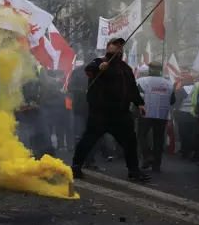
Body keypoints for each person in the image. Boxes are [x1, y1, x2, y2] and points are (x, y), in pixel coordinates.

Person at [72, 38, 150, 181]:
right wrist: (100, 68)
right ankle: (76, 166)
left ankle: (134, 171)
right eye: (116, 45)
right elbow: (89, 70)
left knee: (130, 142)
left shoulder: (126, 68)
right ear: (108, 47)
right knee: (88, 139)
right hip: (101, 112)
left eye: (121, 46)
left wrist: (140, 103)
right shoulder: (100, 62)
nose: (120, 48)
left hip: (121, 114)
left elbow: (132, 88)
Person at [136, 61, 175, 172]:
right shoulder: (168, 84)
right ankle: (156, 164)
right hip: (162, 115)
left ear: (149, 70)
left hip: (146, 113)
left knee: (141, 136)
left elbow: (135, 96)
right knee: (158, 139)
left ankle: (147, 155)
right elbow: (172, 100)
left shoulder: (141, 81)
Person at [15, 64, 54, 159]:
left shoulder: (39, 69)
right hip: (20, 108)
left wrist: (37, 102)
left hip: (35, 107)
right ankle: (24, 156)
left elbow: (45, 88)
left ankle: (45, 156)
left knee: (41, 129)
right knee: (23, 132)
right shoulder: (15, 67)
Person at [172, 70, 197, 159]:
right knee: (192, 132)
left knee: (183, 133)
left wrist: (174, 110)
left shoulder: (183, 89)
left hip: (183, 113)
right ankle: (192, 150)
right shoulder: (196, 88)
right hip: (194, 114)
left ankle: (185, 151)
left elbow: (177, 102)